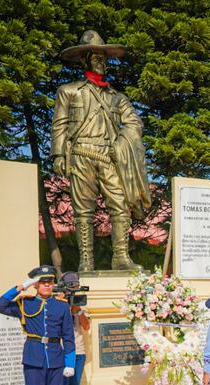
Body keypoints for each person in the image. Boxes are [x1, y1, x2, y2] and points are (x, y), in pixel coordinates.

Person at [51, 30, 151, 272]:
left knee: (120, 205)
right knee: (83, 209)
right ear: (84, 61)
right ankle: (86, 261)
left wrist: (122, 143)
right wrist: (59, 155)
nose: (101, 63)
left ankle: (120, 257)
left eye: (103, 58)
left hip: (109, 156)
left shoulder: (117, 97)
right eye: (96, 58)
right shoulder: (69, 91)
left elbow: (135, 123)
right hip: (81, 154)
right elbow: (60, 125)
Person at [56, 272, 92, 385]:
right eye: (71, 286)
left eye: (76, 286)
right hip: (61, 352)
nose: (74, 289)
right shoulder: (56, 302)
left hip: (78, 352)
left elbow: (86, 327)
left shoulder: (80, 303)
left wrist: (77, 310)